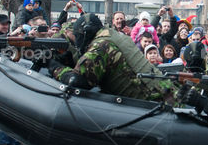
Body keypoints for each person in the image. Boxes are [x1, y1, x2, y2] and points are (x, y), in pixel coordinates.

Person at [50, 14, 184, 104]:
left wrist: (55, 67)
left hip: (156, 103)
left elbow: (77, 82)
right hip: (166, 94)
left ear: (86, 33)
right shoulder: (114, 36)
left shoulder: (101, 46)